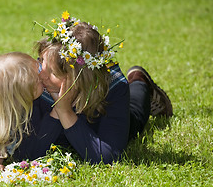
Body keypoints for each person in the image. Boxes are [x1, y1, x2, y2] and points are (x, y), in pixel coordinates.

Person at [13, 11, 173, 164]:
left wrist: (65, 111)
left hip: (102, 122)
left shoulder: (113, 88)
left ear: (79, 78)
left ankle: (140, 81)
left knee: (135, 117)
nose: (41, 75)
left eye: (53, 72)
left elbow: (108, 157)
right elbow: (27, 154)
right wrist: (57, 110)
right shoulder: (38, 86)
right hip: (74, 127)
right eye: (41, 61)